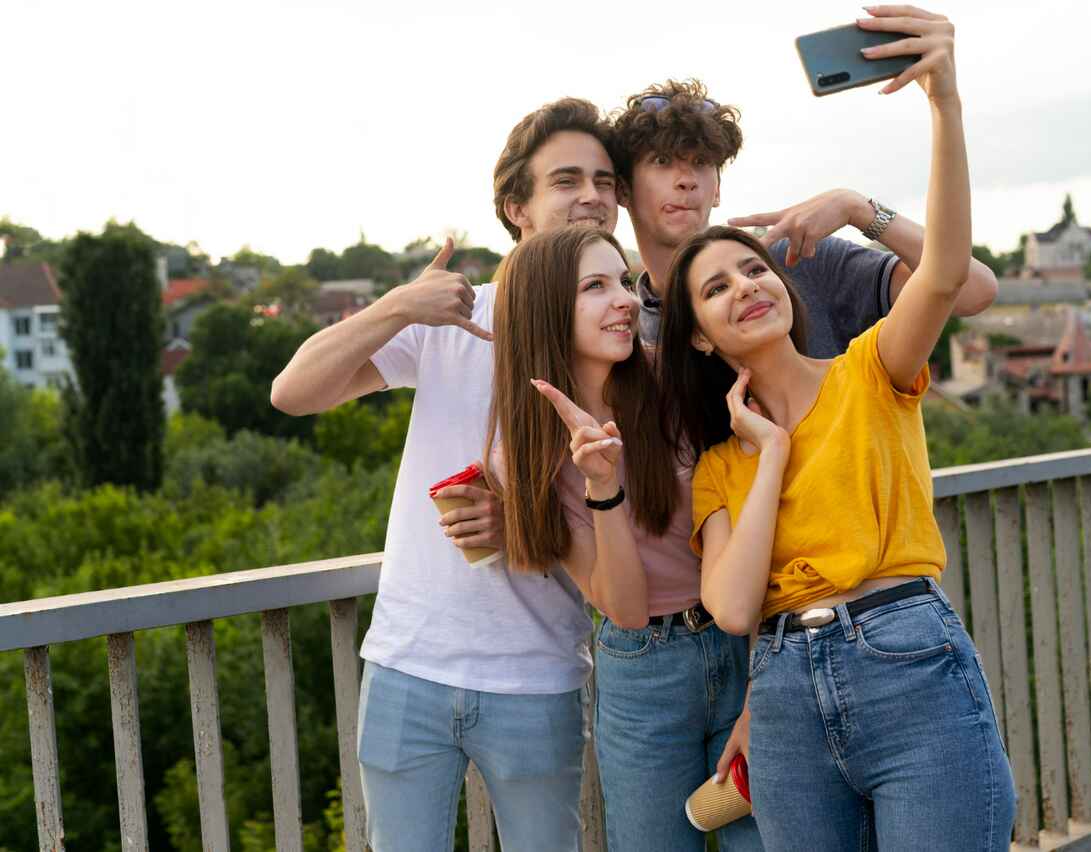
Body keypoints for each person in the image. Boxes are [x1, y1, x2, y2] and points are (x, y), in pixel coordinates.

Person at [657, 7, 1017, 849]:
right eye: (716, 289)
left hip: (909, 662)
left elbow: (948, 273)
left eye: (754, 268)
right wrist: (772, 451)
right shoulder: (723, 464)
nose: (746, 287)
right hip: (783, 697)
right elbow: (733, 607)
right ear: (700, 337)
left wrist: (942, 106)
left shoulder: (869, 369)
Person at [271, 97, 621, 851]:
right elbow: (293, 393)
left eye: (605, 180)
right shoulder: (451, 323)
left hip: (536, 676)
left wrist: (520, 524)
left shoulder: (618, 336)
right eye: (566, 180)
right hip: (408, 665)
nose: (592, 195)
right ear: (516, 208)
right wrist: (398, 305)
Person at [484, 224, 765, 851]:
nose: (626, 300)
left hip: (746, 641)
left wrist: (760, 694)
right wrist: (602, 484)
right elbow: (628, 608)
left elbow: (766, 526)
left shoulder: (683, 381)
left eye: (623, 280)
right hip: (642, 670)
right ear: (545, 310)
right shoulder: (525, 452)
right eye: (595, 286)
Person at [608, 78, 999, 356]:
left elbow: (974, 290)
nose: (686, 180)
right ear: (623, 189)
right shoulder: (621, 323)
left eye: (700, 162)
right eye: (662, 161)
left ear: (718, 188)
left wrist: (858, 209)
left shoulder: (796, 259)